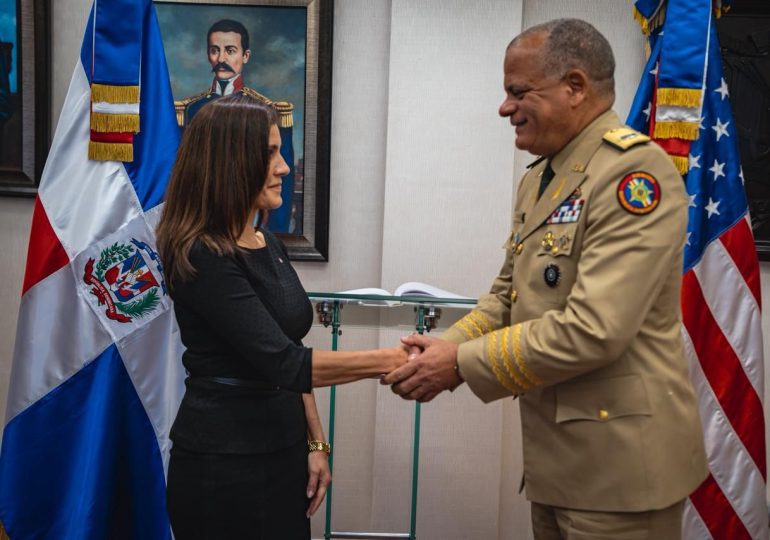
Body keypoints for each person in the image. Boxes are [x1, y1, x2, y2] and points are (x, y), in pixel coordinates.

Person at [384, 18, 708, 540]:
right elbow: (506, 297)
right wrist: (446, 347)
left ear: (574, 86)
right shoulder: (543, 177)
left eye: (518, 92)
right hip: (558, 464)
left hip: (619, 473)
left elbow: (593, 329)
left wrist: (459, 364)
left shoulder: (631, 175)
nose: (504, 107)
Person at [157, 94, 408, 540]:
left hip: (284, 450)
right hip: (224, 466)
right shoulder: (203, 254)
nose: (284, 167)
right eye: (271, 153)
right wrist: (395, 359)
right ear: (232, 162)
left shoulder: (266, 242)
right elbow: (286, 364)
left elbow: (290, 350)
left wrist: (315, 442)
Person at [174, 18, 296, 233]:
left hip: (251, 226)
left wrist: (273, 233)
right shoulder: (190, 110)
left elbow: (281, 185)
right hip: (200, 224)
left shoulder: (267, 110)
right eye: (215, 50)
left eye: (230, 51)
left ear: (245, 56)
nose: (221, 59)